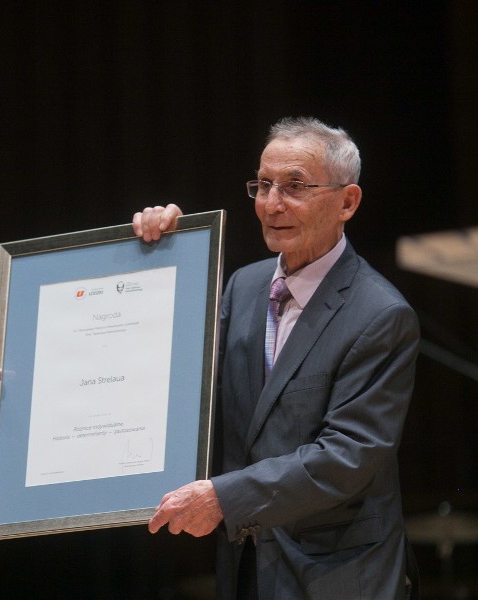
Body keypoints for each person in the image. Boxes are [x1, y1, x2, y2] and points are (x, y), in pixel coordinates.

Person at [134, 117, 420, 599]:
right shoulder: (243, 286)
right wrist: (163, 263)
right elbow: (185, 393)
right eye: (263, 185)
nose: (271, 204)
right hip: (247, 570)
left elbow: (346, 456)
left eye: (294, 187)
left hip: (339, 576)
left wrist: (225, 498)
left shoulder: (380, 314)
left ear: (347, 202)